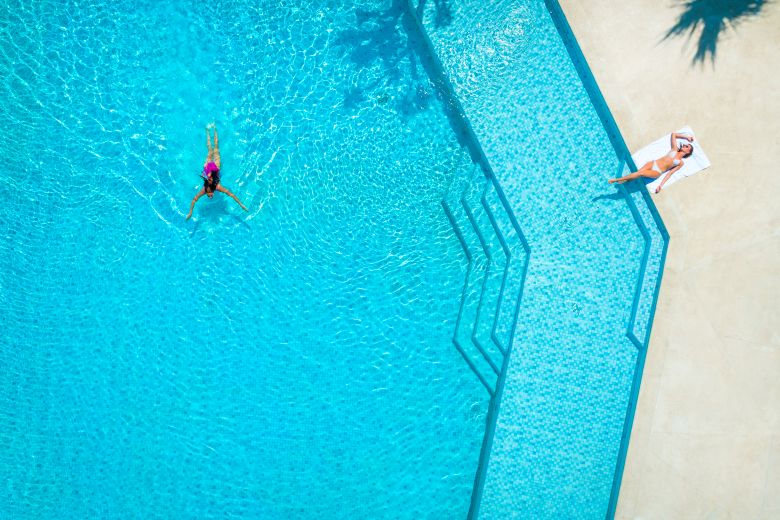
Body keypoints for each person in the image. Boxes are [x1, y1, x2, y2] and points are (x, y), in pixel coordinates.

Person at [186, 124, 248, 219]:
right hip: (210, 168)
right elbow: (231, 195)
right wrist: (190, 212)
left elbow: (194, 200)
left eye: (209, 196)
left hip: (212, 168)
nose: (211, 196)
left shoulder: (213, 188)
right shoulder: (210, 188)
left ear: (208, 192)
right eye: (211, 196)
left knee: (212, 149)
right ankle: (210, 129)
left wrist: (241, 205)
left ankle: (210, 129)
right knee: (213, 149)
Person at [608, 132, 695, 193]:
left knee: (640, 173)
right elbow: (674, 134)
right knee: (638, 173)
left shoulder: (680, 163)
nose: (684, 145)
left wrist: (661, 185)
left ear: (688, 151)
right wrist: (686, 137)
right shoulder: (674, 149)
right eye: (686, 145)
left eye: (687, 146)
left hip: (657, 171)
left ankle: (616, 180)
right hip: (653, 163)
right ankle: (625, 180)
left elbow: (670, 173)